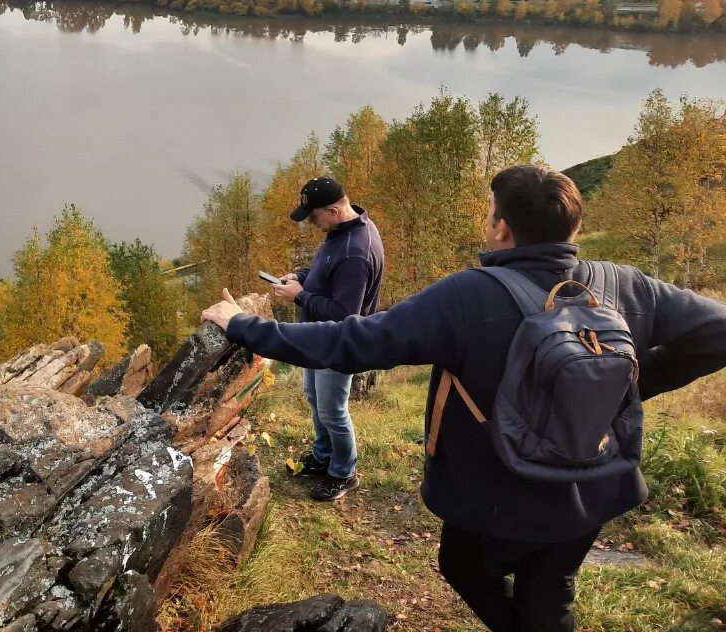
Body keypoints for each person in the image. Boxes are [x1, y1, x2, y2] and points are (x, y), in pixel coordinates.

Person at [202, 165, 726, 632]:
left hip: (495, 496)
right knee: (551, 592)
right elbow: (718, 330)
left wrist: (246, 327)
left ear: (501, 228)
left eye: (490, 214)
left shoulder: (470, 296)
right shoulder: (623, 286)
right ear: (576, 228)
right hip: (594, 487)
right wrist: (628, 391)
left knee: (465, 570)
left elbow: (351, 342)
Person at [273, 176, 384, 501]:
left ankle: (343, 473)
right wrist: (301, 277)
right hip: (317, 340)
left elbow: (343, 313)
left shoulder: (356, 252)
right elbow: (324, 272)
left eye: (314, 217)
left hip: (337, 345)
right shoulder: (341, 232)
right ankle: (323, 457)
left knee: (333, 410)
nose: (311, 223)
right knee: (315, 398)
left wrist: (299, 297)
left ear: (334, 210)